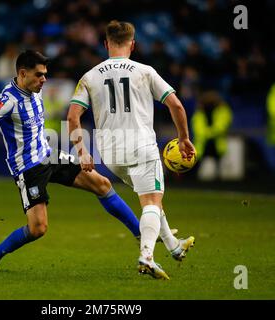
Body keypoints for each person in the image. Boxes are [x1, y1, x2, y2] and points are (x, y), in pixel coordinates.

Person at [0, 50, 143, 272]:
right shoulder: (8, 100)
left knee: (103, 184)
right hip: (29, 168)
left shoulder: (36, 90)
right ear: (22, 73)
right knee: (38, 228)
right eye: (39, 75)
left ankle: (140, 234)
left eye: (45, 74)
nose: (44, 80)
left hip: (50, 155)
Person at [68, 20, 196, 280]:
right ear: (133, 44)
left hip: (111, 154)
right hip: (141, 146)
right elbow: (177, 106)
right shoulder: (144, 71)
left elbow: (72, 117)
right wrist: (183, 138)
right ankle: (146, 256)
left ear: (105, 44)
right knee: (151, 200)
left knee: (150, 199)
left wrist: (82, 152)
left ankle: (173, 245)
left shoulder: (90, 76)